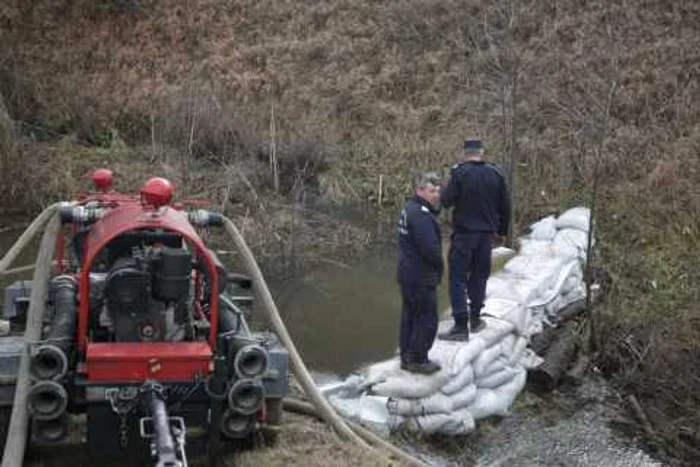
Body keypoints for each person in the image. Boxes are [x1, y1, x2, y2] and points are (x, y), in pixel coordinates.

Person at [438, 139, 511, 341]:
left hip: (464, 235)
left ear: (465, 153)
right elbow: (505, 207)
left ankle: (461, 326)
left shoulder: (460, 173)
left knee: (458, 278)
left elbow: (445, 201)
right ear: (481, 152)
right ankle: (476, 319)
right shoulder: (496, 174)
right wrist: (502, 233)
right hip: (486, 237)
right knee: (479, 276)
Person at [396, 172, 443, 374]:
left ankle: (406, 355)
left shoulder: (408, 208)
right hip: (421, 276)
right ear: (420, 190)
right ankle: (418, 359)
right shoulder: (421, 215)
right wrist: (440, 266)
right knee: (426, 318)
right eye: (432, 191)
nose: (436, 195)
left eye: (438, 191)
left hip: (406, 273)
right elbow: (430, 249)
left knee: (409, 316)